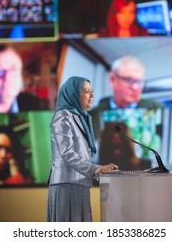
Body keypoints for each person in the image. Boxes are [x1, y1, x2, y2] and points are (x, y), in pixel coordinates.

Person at [46, 76, 118, 222]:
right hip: (66, 184)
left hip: (79, 182)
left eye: (92, 91)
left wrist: (101, 170)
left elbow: (83, 154)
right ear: (73, 94)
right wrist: (95, 169)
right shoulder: (63, 116)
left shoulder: (80, 117)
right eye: (86, 91)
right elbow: (67, 152)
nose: (91, 96)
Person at [94, 56, 164, 110]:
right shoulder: (91, 116)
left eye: (139, 82)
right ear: (112, 79)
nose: (135, 87)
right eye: (129, 80)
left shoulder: (157, 109)